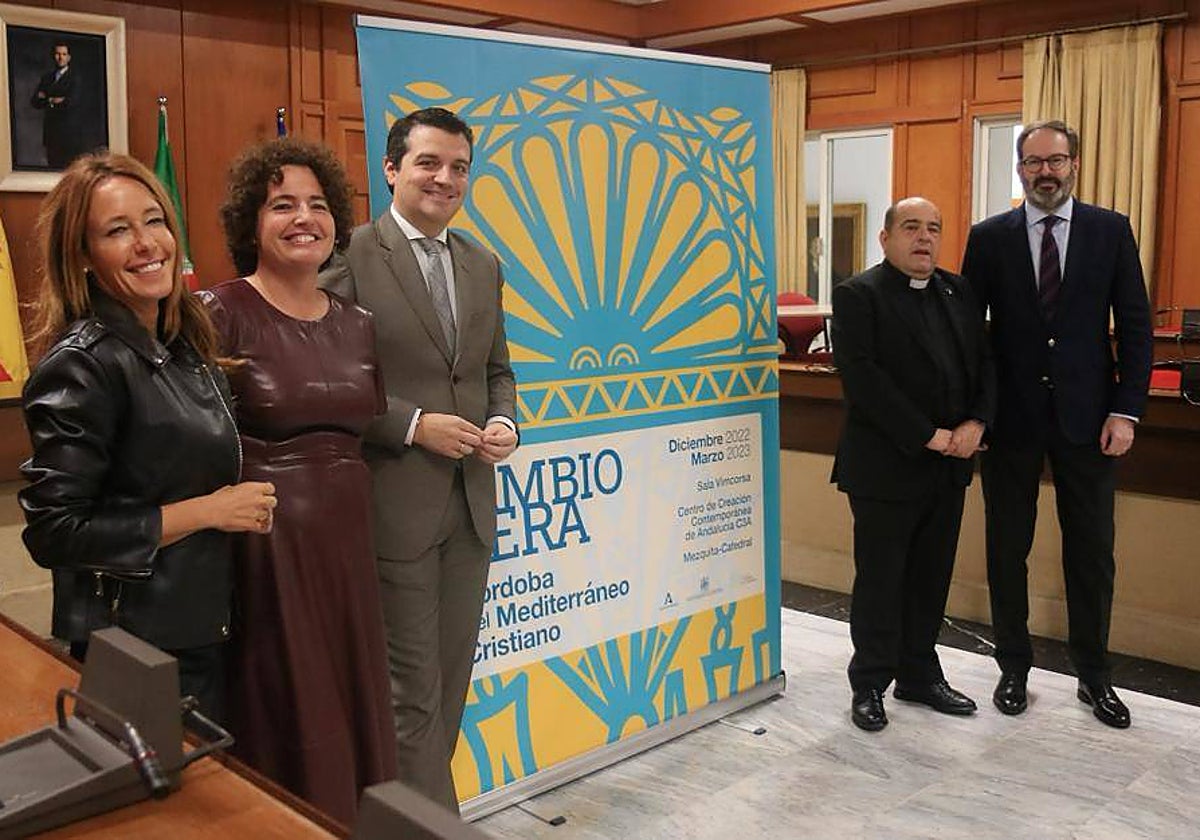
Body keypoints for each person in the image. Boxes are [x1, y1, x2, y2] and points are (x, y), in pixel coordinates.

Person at [18, 152, 276, 721]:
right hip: (142, 644)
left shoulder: (184, 344)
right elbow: (55, 531)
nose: (146, 243)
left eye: (154, 220)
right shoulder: (82, 365)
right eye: (117, 230)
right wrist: (208, 511)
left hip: (204, 624)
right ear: (83, 257)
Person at [321, 106, 518, 812]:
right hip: (394, 508)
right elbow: (328, 379)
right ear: (392, 168)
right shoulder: (347, 255)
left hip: (471, 509)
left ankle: (407, 819)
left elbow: (497, 370)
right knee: (410, 699)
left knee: (448, 688)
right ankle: (434, 827)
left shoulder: (482, 262)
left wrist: (504, 422)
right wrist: (411, 426)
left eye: (459, 166)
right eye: (429, 162)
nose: (445, 178)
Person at [202, 137, 397, 825]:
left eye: (317, 205)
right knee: (291, 715)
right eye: (281, 205)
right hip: (268, 553)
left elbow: (362, 430)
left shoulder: (359, 323)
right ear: (249, 223)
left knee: (353, 709)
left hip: (347, 543)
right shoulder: (215, 313)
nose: (302, 218)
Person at [961, 120, 1153, 729]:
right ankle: (1012, 667)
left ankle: (1094, 676)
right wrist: (979, 413)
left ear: (1074, 165)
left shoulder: (1110, 230)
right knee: (1005, 549)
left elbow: (1137, 328)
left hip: (1090, 421)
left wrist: (1125, 410)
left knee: (1092, 554)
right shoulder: (988, 237)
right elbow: (972, 337)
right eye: (1034, 161)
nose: (1046, 171)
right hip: (1011, 424)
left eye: (1057, 160)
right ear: (1019, 169)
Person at [831, 196, 995, 732]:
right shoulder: (859, 295)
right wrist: (930, 436)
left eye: (933, 228)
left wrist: (977, 423)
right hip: (887, 466)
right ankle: (871, 683)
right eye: (910, 227)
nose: (923, 238)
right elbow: (864, 381)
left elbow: (984, 363)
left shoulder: (958, 289)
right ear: (885, 238)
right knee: (882, 579)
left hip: (950, 464)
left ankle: (920, 675)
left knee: (930, 577)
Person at [29, 43, 82, 169]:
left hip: (68, 133)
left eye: (64, 54)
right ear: (53, 56)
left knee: (68, 169)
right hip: (51, 132)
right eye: (58, 54)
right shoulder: (47, 78)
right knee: (52, 168)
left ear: (69, 57)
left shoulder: (75, 78)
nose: (60, 57)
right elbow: (35, 102)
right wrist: (54, 100)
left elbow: (72, 102)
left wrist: (47, 98)